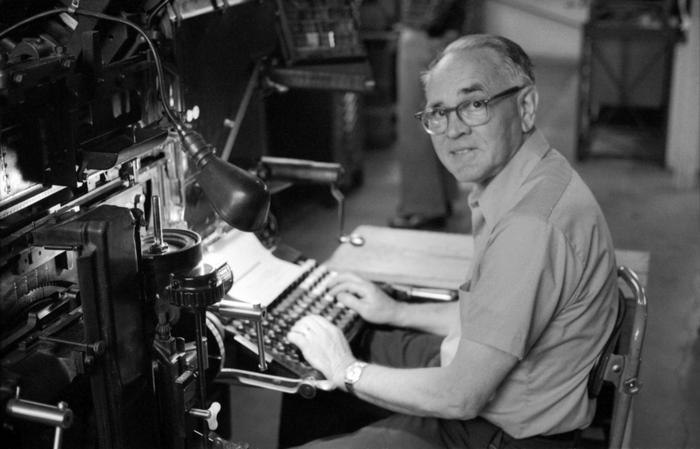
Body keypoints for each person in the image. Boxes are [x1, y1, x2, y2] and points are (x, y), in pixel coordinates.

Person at [287, 34, 619, 448]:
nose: (454, 130)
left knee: (330, 374)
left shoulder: (530, 226)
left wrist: (346, 370)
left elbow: (461, 396)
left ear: (526, 106)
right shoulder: (531, 179)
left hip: (491, 432)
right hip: (483, 381)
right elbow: (494, 319)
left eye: (475, 104)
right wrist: (395, 311)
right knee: (319, 357)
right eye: (439, 113)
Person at [389, 0, 467, 229]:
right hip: (441, 34)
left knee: (415, 122)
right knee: (438, 116)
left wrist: (425, 23)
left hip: (423, 36)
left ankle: (423, 208)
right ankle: (441, 198)